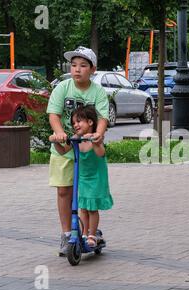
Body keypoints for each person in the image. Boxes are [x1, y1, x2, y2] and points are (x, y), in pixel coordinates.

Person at [47, 46, 109, 256]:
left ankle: (90, 230)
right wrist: (59, 133)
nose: (77, 69)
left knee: (87, 193)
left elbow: (102, 117)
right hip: (65, 145)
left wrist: (98, 134)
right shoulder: (62, 88)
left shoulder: (98, 91)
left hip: (88, 146)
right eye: (73, 65)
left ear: (92, 69)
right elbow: (54, 114)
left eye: (83, 66)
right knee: (64, 191)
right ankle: (67, 234)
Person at [49, 106, 113, 248]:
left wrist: (95, 140)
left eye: (79, 121)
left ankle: (92, 234)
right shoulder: (76, 139)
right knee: (83, 207)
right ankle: (84, 234)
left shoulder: (95, 139)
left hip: (96, 178)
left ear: (90, 122)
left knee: (92, 208)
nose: (75, 125)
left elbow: (101, 153)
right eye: (73, 123)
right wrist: (55, 142)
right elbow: (63, 151)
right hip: (83, 178)